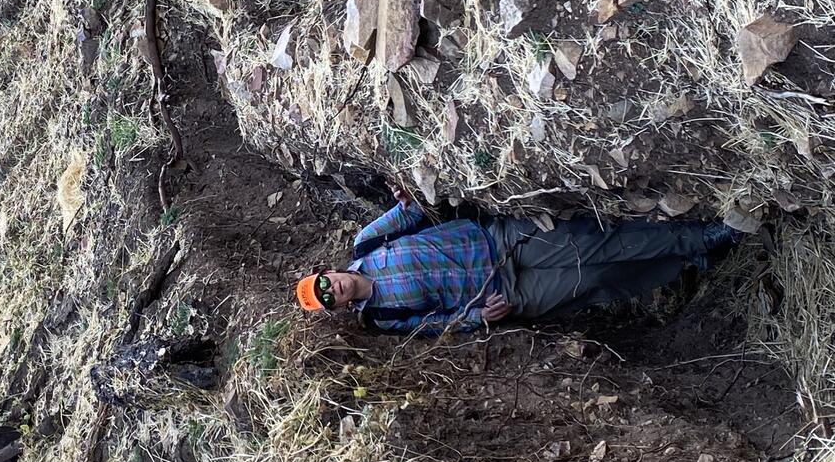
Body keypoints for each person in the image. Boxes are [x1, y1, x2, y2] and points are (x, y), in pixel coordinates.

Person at [294, 189, 747, 335]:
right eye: (327, 298)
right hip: (504, 294)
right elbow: (439, 324)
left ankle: (700, 238)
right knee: (596, 280)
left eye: (324, 282)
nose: (333, 288)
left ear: (326, 270)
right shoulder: (381, 317)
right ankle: (682, 260)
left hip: (500, 242)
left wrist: (408, 195)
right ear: (335, 309)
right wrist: (478, 316)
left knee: (597, 246)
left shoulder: (365, 243)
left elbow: (413, 212)